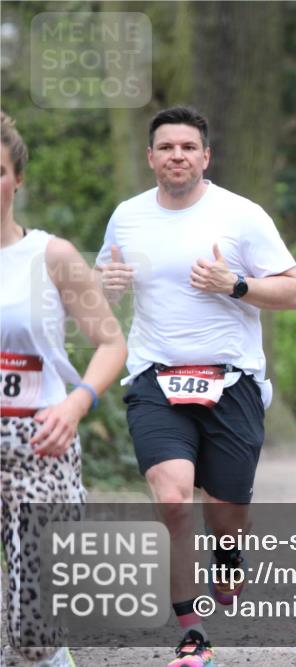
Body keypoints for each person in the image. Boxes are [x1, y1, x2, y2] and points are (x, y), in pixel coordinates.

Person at [96, 106, 296, 667]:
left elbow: (293, 292)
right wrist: (104, 284)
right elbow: (100, 293)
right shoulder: (128, 217)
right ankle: (192, 632)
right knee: (172, 499)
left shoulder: (242, 215)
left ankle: (229, 558)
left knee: (226, 512)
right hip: (154, 378)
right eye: (166, 147)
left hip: (231, 381)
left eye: (188, 147)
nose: (177, 156)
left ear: (205, 157)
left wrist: (235, 285)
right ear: (151, 158)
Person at [0, 112, 128, 667]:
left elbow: (111, 343)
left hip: (38, 442)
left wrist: (78, 403)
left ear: (17, 179)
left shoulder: (51, 256)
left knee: (35, 632)